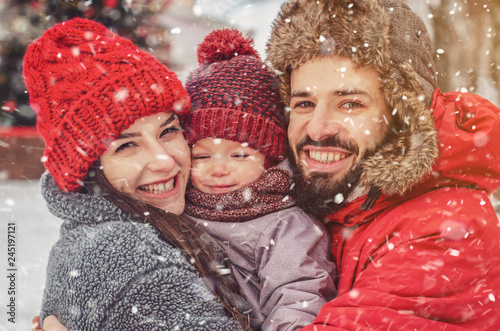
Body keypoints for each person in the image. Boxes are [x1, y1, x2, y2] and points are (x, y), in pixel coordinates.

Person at [266, 0, 500, 329]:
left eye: (349, 103)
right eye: (304, 103)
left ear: (402, 117)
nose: (318, 128)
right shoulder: (329, 201)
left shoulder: (448, 228)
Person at [24, 17, 250, 330]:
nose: (163, 161)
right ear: (88, 171)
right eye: (126, 146)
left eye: (168, 131)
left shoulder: (97, 237)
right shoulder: (127, 254)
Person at [182, 28, 336, 330]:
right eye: (201, 156)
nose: (218, 169)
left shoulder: (284, 223)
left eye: (238, 156)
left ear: (269, 159)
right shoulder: (179, 205)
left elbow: (298, 293)